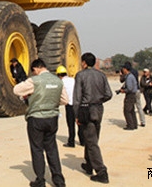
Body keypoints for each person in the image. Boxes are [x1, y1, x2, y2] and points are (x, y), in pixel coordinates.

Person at [13, 58, 67, 187]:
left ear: (37, 68)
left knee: (37, 149)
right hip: (52, 118)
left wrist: (32, 95)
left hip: (36, 118)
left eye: (33, 71)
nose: (34, 73)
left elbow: (16, 90)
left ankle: (40, 181)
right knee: (52, 148)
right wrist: (51, 102)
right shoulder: (58, 81)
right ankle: (59, 180)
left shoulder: (34, 81)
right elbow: (65, 100)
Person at [74, 52, 112, 184]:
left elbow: (77, 97)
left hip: (86, 109)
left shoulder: (81, 75)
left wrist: (76, 114)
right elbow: (109, 94)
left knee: (91, 142)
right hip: (98, 109)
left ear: (84, 62)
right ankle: (89, 164)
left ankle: (101, 171)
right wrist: (98, 101)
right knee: (92, 137)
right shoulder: (101, 75)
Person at [57, 66, 81, 148]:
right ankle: (82, 141)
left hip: (69, 105)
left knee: (71, 125)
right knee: (79, 123)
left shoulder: (61, 82)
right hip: (77, 104)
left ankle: (71, 142)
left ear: (59, 75)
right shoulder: (73, 79)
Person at [119, 64, 138, 130]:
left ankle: (130, 125)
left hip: (130, 95)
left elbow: (129, 88)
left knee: (127, 110)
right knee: (132, 110)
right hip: (133, 95)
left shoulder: (129, 77)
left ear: (125, 69)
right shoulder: (130, 76)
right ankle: (134, 124)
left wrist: (123, 91)